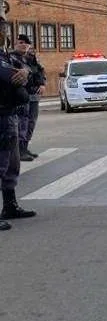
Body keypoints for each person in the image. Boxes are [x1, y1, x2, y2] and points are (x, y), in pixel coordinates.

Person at [0, 16, 37, 231]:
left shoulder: (6, 55)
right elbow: (8, 75)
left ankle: (10, 206)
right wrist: (19, 73)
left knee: (12, 163)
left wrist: (25, 71)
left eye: (4, 29)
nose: (4, 33)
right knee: (1, 162)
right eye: (1, 29)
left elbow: (27, 70)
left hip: (10, 115)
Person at [12, 35, 45, 161]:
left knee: (31, 122)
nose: (24, 45)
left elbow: (40, 71)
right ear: (15, 44)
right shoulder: (12, 58)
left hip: (33, 95)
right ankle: (20, 150)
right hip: (21, 96)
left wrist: (41, 84)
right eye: (20, 43)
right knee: (22, 123)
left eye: (26, 43)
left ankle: (25, 147)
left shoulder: (31, 58)